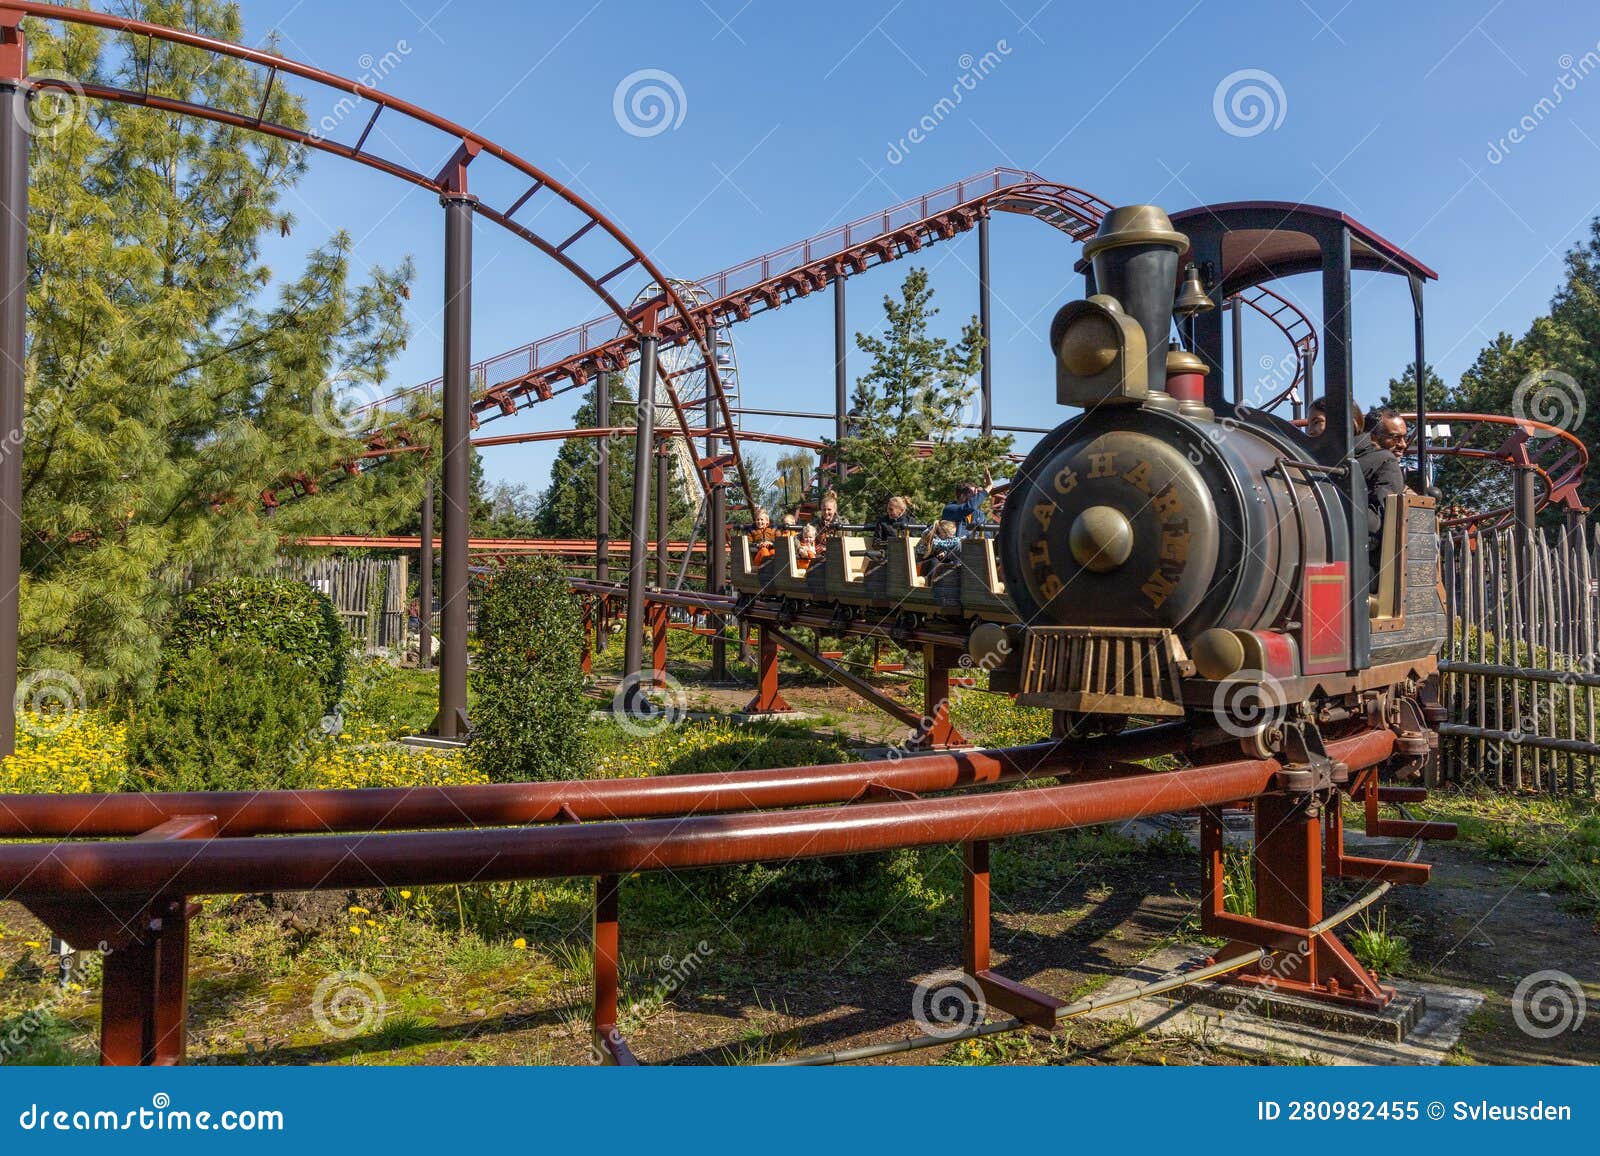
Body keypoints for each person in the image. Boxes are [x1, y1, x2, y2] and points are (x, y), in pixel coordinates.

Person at [1355, 407, 1408, 584]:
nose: (1403, 444)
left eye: (1404, 437)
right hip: (1369, 571)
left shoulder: (1348, 457)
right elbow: (1386, 522)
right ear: (1374, 437)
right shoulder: (1387, 461)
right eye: (1395, 438)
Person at [941, 472, 993, 539]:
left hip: (974, 548)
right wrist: (988, 487)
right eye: (972, 493)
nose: (975, 496)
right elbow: (970, 507)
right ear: (962, 496)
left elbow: (987, 536)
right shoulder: (949, 509)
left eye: (976, 493)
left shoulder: (979, 514)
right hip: (956, 548)